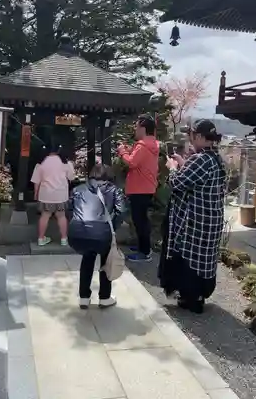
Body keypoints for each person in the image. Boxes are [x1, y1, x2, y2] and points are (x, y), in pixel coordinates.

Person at [159, 119, 226, 314]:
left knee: (190, 259)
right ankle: (199, 296)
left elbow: (177, 183)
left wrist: (172, 167)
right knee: (205, 259)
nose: (189, 138)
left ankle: (191, 298)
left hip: (196, 221)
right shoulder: (216, 158)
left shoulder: (200, 159)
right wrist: (184, 164)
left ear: (198, 136)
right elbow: (196, 180)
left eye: (191, 135)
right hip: (212, 219)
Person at [68, 164, 126, 309]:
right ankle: (105, 298)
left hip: (78, 232)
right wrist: (112, 227)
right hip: (102, 232)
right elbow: (121, 211)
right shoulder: (114, 190)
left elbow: (70, 208)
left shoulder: (78, 189)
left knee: (87, 258)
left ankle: (84, 297)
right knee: (107, 260)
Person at [117, 114, 159, 262]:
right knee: (142, 220)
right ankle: (143, 247)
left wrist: (122, 151)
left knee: (139, 220)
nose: (135, 129)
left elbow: (131, 162)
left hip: (139, 188)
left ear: (143, 128)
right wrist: (130, 150)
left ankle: (144, 252)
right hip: (146, 187)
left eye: (137, 126)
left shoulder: (142, 146)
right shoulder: (151, 144)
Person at [31, 143, 75, 246]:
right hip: (61, 195)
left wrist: (36, 194)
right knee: (61, 216)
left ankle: (41, 239)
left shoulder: (40, 164)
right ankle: (64, 239)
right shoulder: (65, 163)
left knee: (45, 216)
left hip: (46, 195)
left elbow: (36, 182)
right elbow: (72, 177)